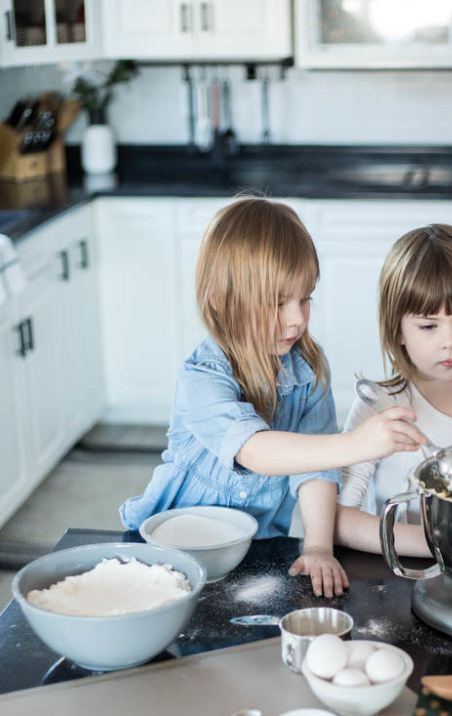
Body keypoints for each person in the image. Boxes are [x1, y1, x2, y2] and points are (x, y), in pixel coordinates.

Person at [120, 197, 425, 598]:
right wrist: (357, 444)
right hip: (165, 549)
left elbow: (317, 470)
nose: (297, 318)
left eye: (305, 299)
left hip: (254, 549)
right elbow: (255, 451)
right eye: (277, 303)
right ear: (219, 298)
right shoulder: (203, 378)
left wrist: (317, 546)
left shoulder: (310, 371)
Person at [335, 223, 452, 556]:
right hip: (406, 576)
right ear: (398, 330)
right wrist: (440, 545)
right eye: (428, 326)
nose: (450, 341)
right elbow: (338, 520)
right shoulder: (380, 407)